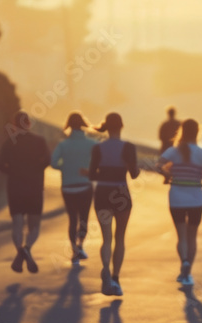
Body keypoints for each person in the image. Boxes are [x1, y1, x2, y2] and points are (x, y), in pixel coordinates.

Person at [87, 113, 140, 295]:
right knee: (120, 238)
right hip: (121, 194)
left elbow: (92, 175)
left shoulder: (97, 148)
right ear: (122, 126)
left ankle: (106, 271)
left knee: (106, 238)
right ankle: (116, 279)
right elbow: (134, 174)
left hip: (102, 194)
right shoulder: (128, 147)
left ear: (106, 128)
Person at [158, 119, 202, 286]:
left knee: (181, 235)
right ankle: (188, 273)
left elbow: (158, 165)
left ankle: (183, 261)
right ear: (198, 133)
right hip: (196, 198)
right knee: (192, 236)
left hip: (176, 196)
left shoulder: (172, 152)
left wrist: (167, 175)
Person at [0, 111, 51, 273]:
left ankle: (20, 252)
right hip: (34, 187)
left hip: (15, 187)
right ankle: (27, 249)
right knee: (34, 224)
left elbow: (0, 165)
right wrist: (36, 170)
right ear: (28, 124)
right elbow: (47, 161)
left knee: (17, 223)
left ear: (14, 125)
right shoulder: (39, 141)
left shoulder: (9, 143)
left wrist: (13, 172)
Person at [51, 112, 97, 266]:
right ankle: (80, 246)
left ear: (69, 126)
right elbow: (99, 162)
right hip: (84, 185)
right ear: (83, 125)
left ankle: (74, 251)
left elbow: (53, 162)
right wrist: (90, 170)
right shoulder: (91, 144)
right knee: (83, 219)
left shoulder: (63, 145)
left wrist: (64, 167)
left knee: (72, 220)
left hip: (68, 186)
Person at [158, 107, 181, 185]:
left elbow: (160, 136)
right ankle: (172, 176)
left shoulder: (164, 124)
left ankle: (167, 176)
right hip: (175, 147)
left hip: (165, 146)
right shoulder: (179, 123)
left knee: (164, 163)